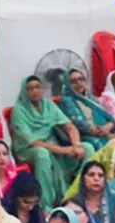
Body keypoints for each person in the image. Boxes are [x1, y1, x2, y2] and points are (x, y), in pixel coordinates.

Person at [11, 73, 89, 203]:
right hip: (27, 150)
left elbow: (70, 126)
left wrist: (77, 145)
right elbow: (33, 142)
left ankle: (79, 192)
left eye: (38, 87)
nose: (35, 91)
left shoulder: (48, 105)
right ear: (25, 91)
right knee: (42, 154)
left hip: (52, 145)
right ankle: (45, 204)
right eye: (30, 88)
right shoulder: (19, 111)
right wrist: (63, 150)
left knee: (88, 148)